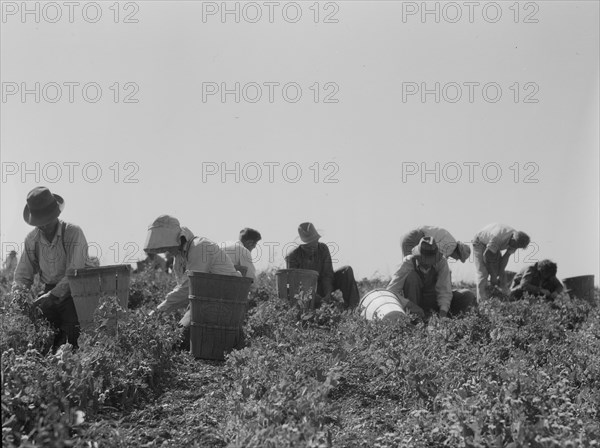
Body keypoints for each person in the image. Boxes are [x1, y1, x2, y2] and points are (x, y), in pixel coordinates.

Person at [13, 186, 93, 351]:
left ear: (56, 214)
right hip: (50, 291)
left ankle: (71, 358)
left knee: (72, 336)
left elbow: (74, 275)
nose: (44, 225)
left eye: (47, 219)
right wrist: (19, 298)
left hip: (77, 292)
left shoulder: (72, 233)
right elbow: (23, 275)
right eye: (40, 222)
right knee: (41, 337)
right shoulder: (32, 239)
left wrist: (50, 297)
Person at [143, 215, 242, 349]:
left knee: (179, 341)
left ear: (178, 239)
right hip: (204, 303)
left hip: (225, 301)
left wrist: (155, 314)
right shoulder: (179, 257)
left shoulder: (199, 247)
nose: (166, 250)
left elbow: (188, 289)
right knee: (176, 339)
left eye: (167, 246)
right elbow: (183, 289)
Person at [387, 237, 477, 319]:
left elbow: (444, 291)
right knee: (412, 277)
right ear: (418, 256)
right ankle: (416, 320)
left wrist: (443, 313)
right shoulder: (407, 263)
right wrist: (409, 305)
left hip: (435, 303)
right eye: (424, 260)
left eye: (431, 260)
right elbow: (391, 292)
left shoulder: (441, 263)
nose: (427, 263)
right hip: (414, 305)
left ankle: (457, 322)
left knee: (467, 295)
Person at [285, 222, 360, 308]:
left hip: (322, 287)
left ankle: (353, 308)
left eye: (314, 242)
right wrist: (315, 296)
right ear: (302, 245)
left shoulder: (323, 249)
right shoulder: (292, 256)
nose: (313, 247)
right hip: (304, 292)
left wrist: (328, 294)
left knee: (347, 270)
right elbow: (294, 284)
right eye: (309, 245)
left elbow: (327, 275)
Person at [472, 223, 530, 301]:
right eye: (515, 245)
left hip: (494, 246)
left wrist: (500, 272)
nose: (514, 248)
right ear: (512, 239)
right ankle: (481, 302)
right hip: (480, 242)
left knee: (500, 273)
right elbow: (487, 256)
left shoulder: (517, 241)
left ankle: (505, 296)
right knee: (483, 273)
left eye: (517, 247)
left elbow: (505, 257)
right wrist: (493, 276)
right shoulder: (498, 238)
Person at [401, 225, 471, 262]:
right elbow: (435, 258)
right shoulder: (451, 246)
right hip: (414, 239)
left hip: (411, 237)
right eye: (458, 258)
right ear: (458, 252)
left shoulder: (450, 242)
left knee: (410, 266)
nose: (456, 259)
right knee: (410, 268)